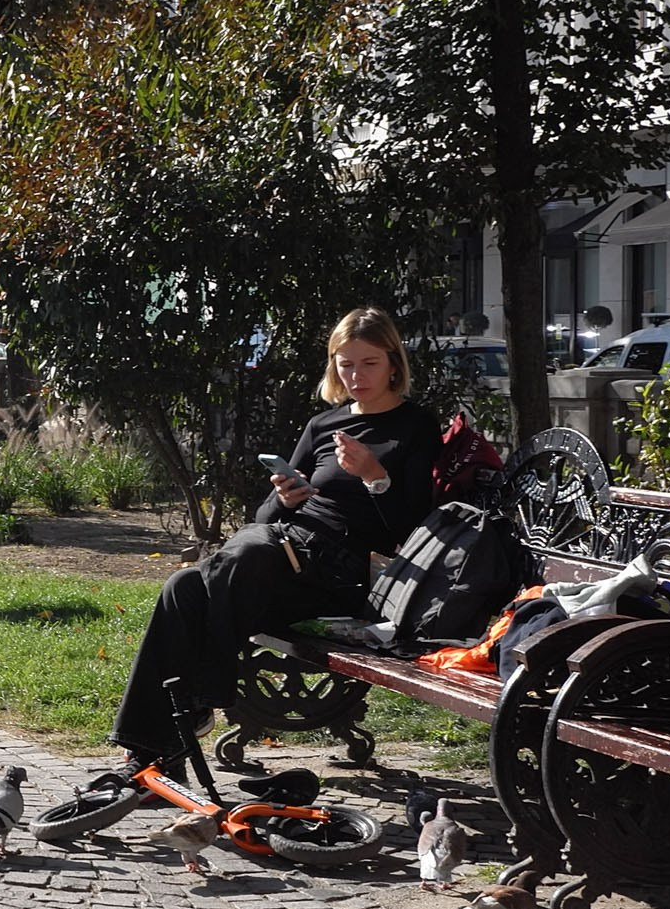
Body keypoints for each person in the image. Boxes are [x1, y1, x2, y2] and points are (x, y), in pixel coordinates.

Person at [110, 307, 441, 768]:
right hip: (278, 555)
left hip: (339, 572)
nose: (356, 375)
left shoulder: (416, 426)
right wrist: (284, 498)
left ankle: (209, 691)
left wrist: (375, 478)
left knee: (248, 550)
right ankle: (148, 753)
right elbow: (265, 515)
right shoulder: (324, 425)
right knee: (182, 587)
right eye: (345, 364)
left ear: (392, 364)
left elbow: (410, 530)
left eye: (369, 363)